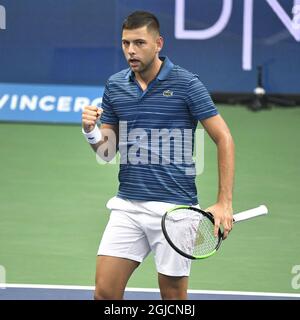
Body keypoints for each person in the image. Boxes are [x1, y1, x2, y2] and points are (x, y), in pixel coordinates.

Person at [81, 11, 235, 300]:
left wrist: (224, 202)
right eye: (126, 43)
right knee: (104, 294)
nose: (131, 51)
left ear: (158, 43)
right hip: (128, 205)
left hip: (175, 212)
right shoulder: (115, 85)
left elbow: (224, 138)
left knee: (173, 299)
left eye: (139, 43)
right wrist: (90, 130)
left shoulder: (187, 84)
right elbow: (106, 151)